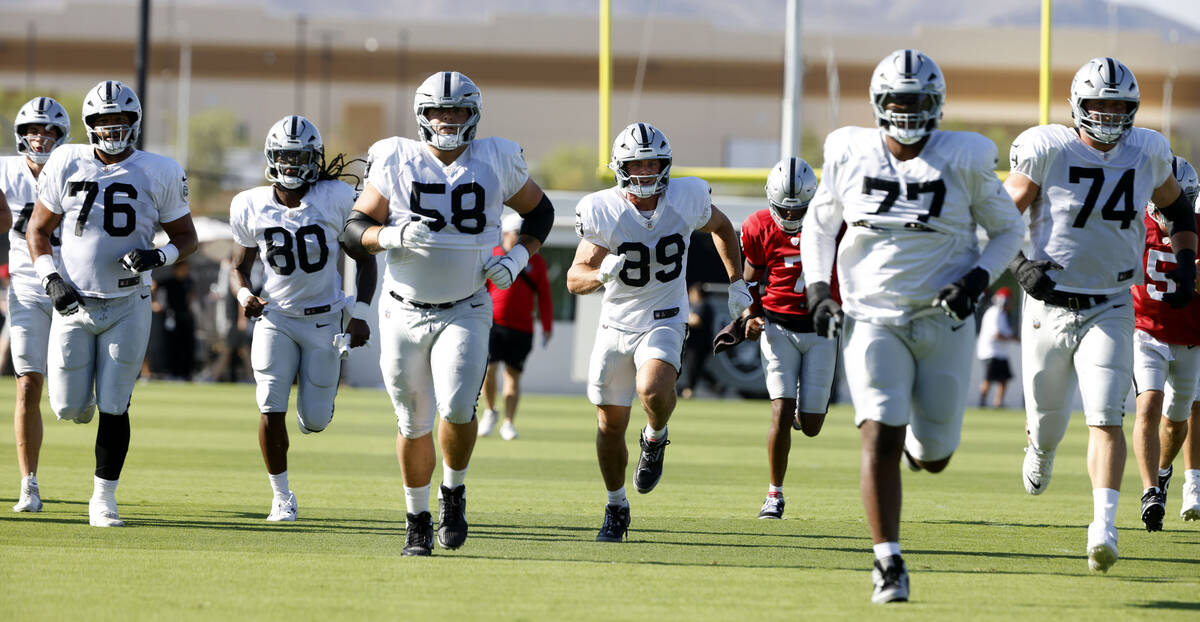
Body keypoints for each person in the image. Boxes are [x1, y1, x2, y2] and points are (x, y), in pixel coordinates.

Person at [801, 50, 1025, 603]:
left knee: (935, 454)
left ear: (937, 105)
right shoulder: (848, 152)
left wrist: (974, 281)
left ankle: (915, 452)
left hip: (943, 318)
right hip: (872, 315)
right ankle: (888, 563)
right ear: (879, 104)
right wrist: (818, 291)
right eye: (897, 101)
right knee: (878, 431)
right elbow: (820, 225)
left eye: (917, 101)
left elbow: (1008, 230)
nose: (906, 111)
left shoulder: (965, 157)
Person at [343, 71, 555, 556]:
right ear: (422, 115)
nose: (447, 119)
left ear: (473, 113)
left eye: (457, 110)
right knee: (412, 420)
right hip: (402, 309)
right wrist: (391, 236)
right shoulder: (395, 156)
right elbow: (354, 231)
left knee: (459, 407)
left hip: (467, 305)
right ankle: (416, 518)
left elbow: (539, 214)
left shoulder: (496, 157)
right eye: (439, 111)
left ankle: (452, 491)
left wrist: (518, 258)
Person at [1004, 57, 1197, 572]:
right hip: (1048, 303)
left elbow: (1179, 210)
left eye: (1120, 108)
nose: (1110, 117)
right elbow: (999, 216)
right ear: (1077, 106)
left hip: (1111, 304)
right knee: (1046, 424)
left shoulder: (1149, 152)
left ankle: (1103, 526)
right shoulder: (1047, 149)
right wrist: (1021, 264)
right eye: (1100, 106)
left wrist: (1184, 262)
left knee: (1106, 416)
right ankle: (1040, 451)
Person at [567, 121, 753, 543]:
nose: (647, 171)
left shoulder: (685, 198)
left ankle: (655, 435)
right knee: (609, 426)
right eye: (638, 163)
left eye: (654, 163)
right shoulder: (603, 209)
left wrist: (737, 280)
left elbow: (723, 228)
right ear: (621, 166)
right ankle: (616, 507)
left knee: (652, 388)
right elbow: (574, 278)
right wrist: (601, 273)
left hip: (666, 314)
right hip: (616, 323)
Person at [28, 80, 199, 527]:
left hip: (128, 301)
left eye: (120, 119)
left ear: (134, 122)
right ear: (89, 125)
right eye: (103, 121)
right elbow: (38, 231)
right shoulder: (66, 160)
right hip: (75, 302)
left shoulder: (158, 169)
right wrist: (50, 279)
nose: (112, 128)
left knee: (115, 403)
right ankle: (81, 402)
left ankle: (103, 498)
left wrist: (156, 256)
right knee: (67, 408)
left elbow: (187, 238)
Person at [230, 115, 376, 522]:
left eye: (300, 157)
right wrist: (245, 295)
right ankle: (281, 496)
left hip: (325, 319)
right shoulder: (249, 204)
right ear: (271, 158)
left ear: (314, 159)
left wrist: (359, 314)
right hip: (275, 318)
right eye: (285, 157)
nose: (292, 166)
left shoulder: (335, 198)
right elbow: (237, 265)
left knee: (313, 420)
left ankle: (312, 408)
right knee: (269, 404)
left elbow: (365, 261)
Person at [740, 156, 837, 520]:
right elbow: (750, 279)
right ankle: (774, 494)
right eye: (784, 209)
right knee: (780, 412)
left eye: (799, 210)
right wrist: (748, 316)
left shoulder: (833, 224)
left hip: (821, 330)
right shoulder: (758, 226)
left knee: (810, 427)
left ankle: (805, 412)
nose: (791, 218)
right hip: (777, 327)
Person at [1130, 156, 1200, 532]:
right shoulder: (1133, 224)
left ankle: (1163, 471)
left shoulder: (1196, 229)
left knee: (1176, 423)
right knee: (1149, 405)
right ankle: (1150, 492)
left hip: (1190, 338)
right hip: (1147, 332)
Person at [3, 97, 63, 512]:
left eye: (49, 131)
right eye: (33, 130)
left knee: (72, 398)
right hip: (25, 286)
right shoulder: (6, 170)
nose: (40, 138)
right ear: (21, 135)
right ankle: (29, 482)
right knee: (28, 382)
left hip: (71, 287)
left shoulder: (77, 167)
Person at [479, 212, 553, 441]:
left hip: (522, 328)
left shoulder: (536, 262)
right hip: (493, 324)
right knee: (489, 370)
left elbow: (544, 296)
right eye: (517, 235)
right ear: (506, 234)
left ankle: (508, 423)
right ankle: (490, 412)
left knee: (513, 375)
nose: (521, 239)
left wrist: (547, 326)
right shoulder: (491, 256)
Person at [975, 287, 1018, 408]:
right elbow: (997, 334)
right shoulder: (994, 313)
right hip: (990, 352)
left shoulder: (1002, 314)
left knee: (1004, 379)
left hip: (1001, 352)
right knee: (988, 379)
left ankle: (998, 403)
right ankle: (982, 402)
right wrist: (1014, 339)